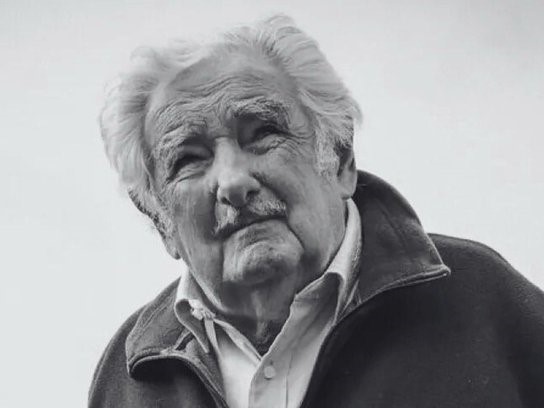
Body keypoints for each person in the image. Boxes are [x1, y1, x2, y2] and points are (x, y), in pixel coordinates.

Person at [89, 15, 544, 408]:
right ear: (160, 220)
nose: (232, 182)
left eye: (262, 133)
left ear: (341, 158)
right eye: (189, 159)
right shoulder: (128, 380)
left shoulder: (489, 307)